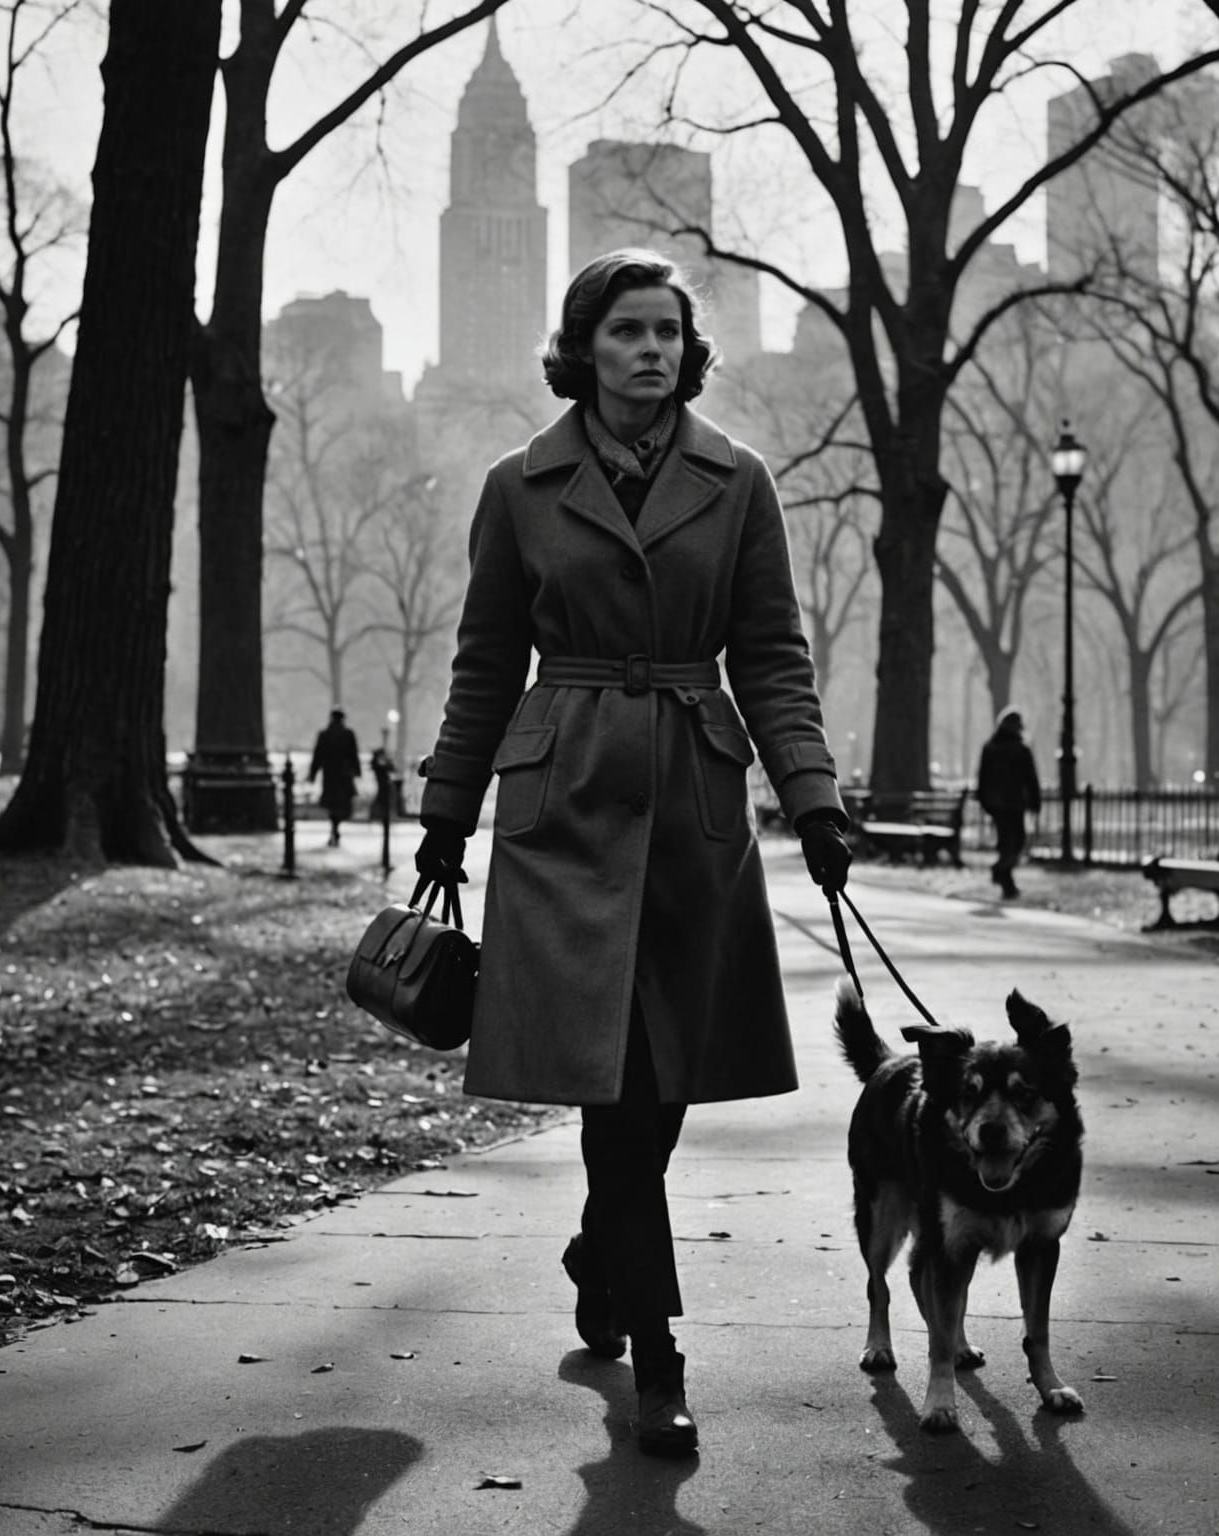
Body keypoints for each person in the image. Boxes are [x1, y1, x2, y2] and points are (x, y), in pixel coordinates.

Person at [414, 249, 853, 1458]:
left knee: (654, 1089)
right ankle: (658, 1355)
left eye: (667, 332)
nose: (651, 351)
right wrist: (448, 807)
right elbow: (485, 660)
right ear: (583, 348)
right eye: (626, 332)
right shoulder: (518, 485)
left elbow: (771, 653)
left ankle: (602, 1252)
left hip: (693, 804)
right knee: (615, 1085)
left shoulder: (740, 480)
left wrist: (811, 797)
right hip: (563, 806)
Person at [977, 707, 1042, 899]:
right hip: (1013, 802)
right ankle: (1001, 872)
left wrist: (984, 800)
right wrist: (1035, 802)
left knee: (1007, 842)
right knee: (1016, 841)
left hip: (997, 802)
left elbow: (982, 777)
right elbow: (1030, 779)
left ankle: (1005, 879)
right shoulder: (1020, 749)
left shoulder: (990, 748)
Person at [308, 708, 360, 847]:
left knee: (332, 803)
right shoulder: (348, 734)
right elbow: (353, 754)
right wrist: (356, 770)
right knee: (341, 802)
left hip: (330, 773)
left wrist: (312, 773)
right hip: (344, 773)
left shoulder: (325, 734)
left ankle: (334, 828)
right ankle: (336, 828)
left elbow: (317, 755)